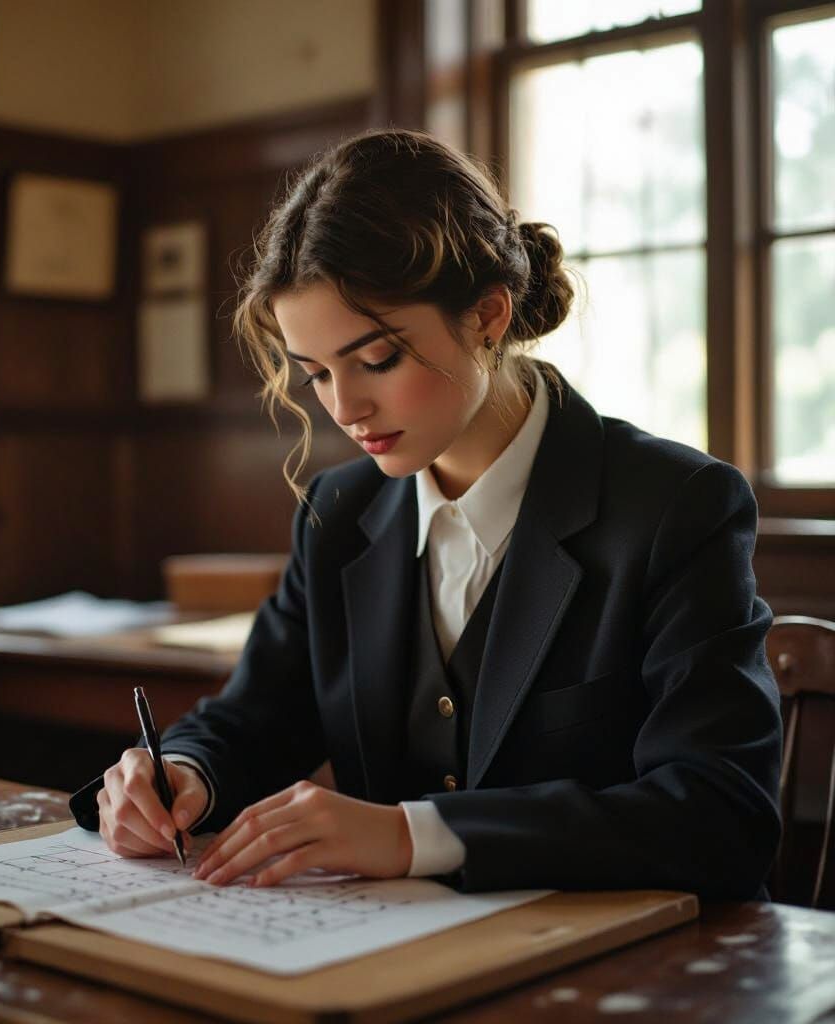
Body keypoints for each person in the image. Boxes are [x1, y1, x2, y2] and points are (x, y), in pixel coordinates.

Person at [69, 127, 782, 899]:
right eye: (315, 375)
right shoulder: (339, 513)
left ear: (488, 316)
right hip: (382, 963)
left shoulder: (675, 506)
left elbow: (722, 815)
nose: (347, 407)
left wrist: (414, 834)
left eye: (378, 360)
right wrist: (183, 771)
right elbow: (257, 715)